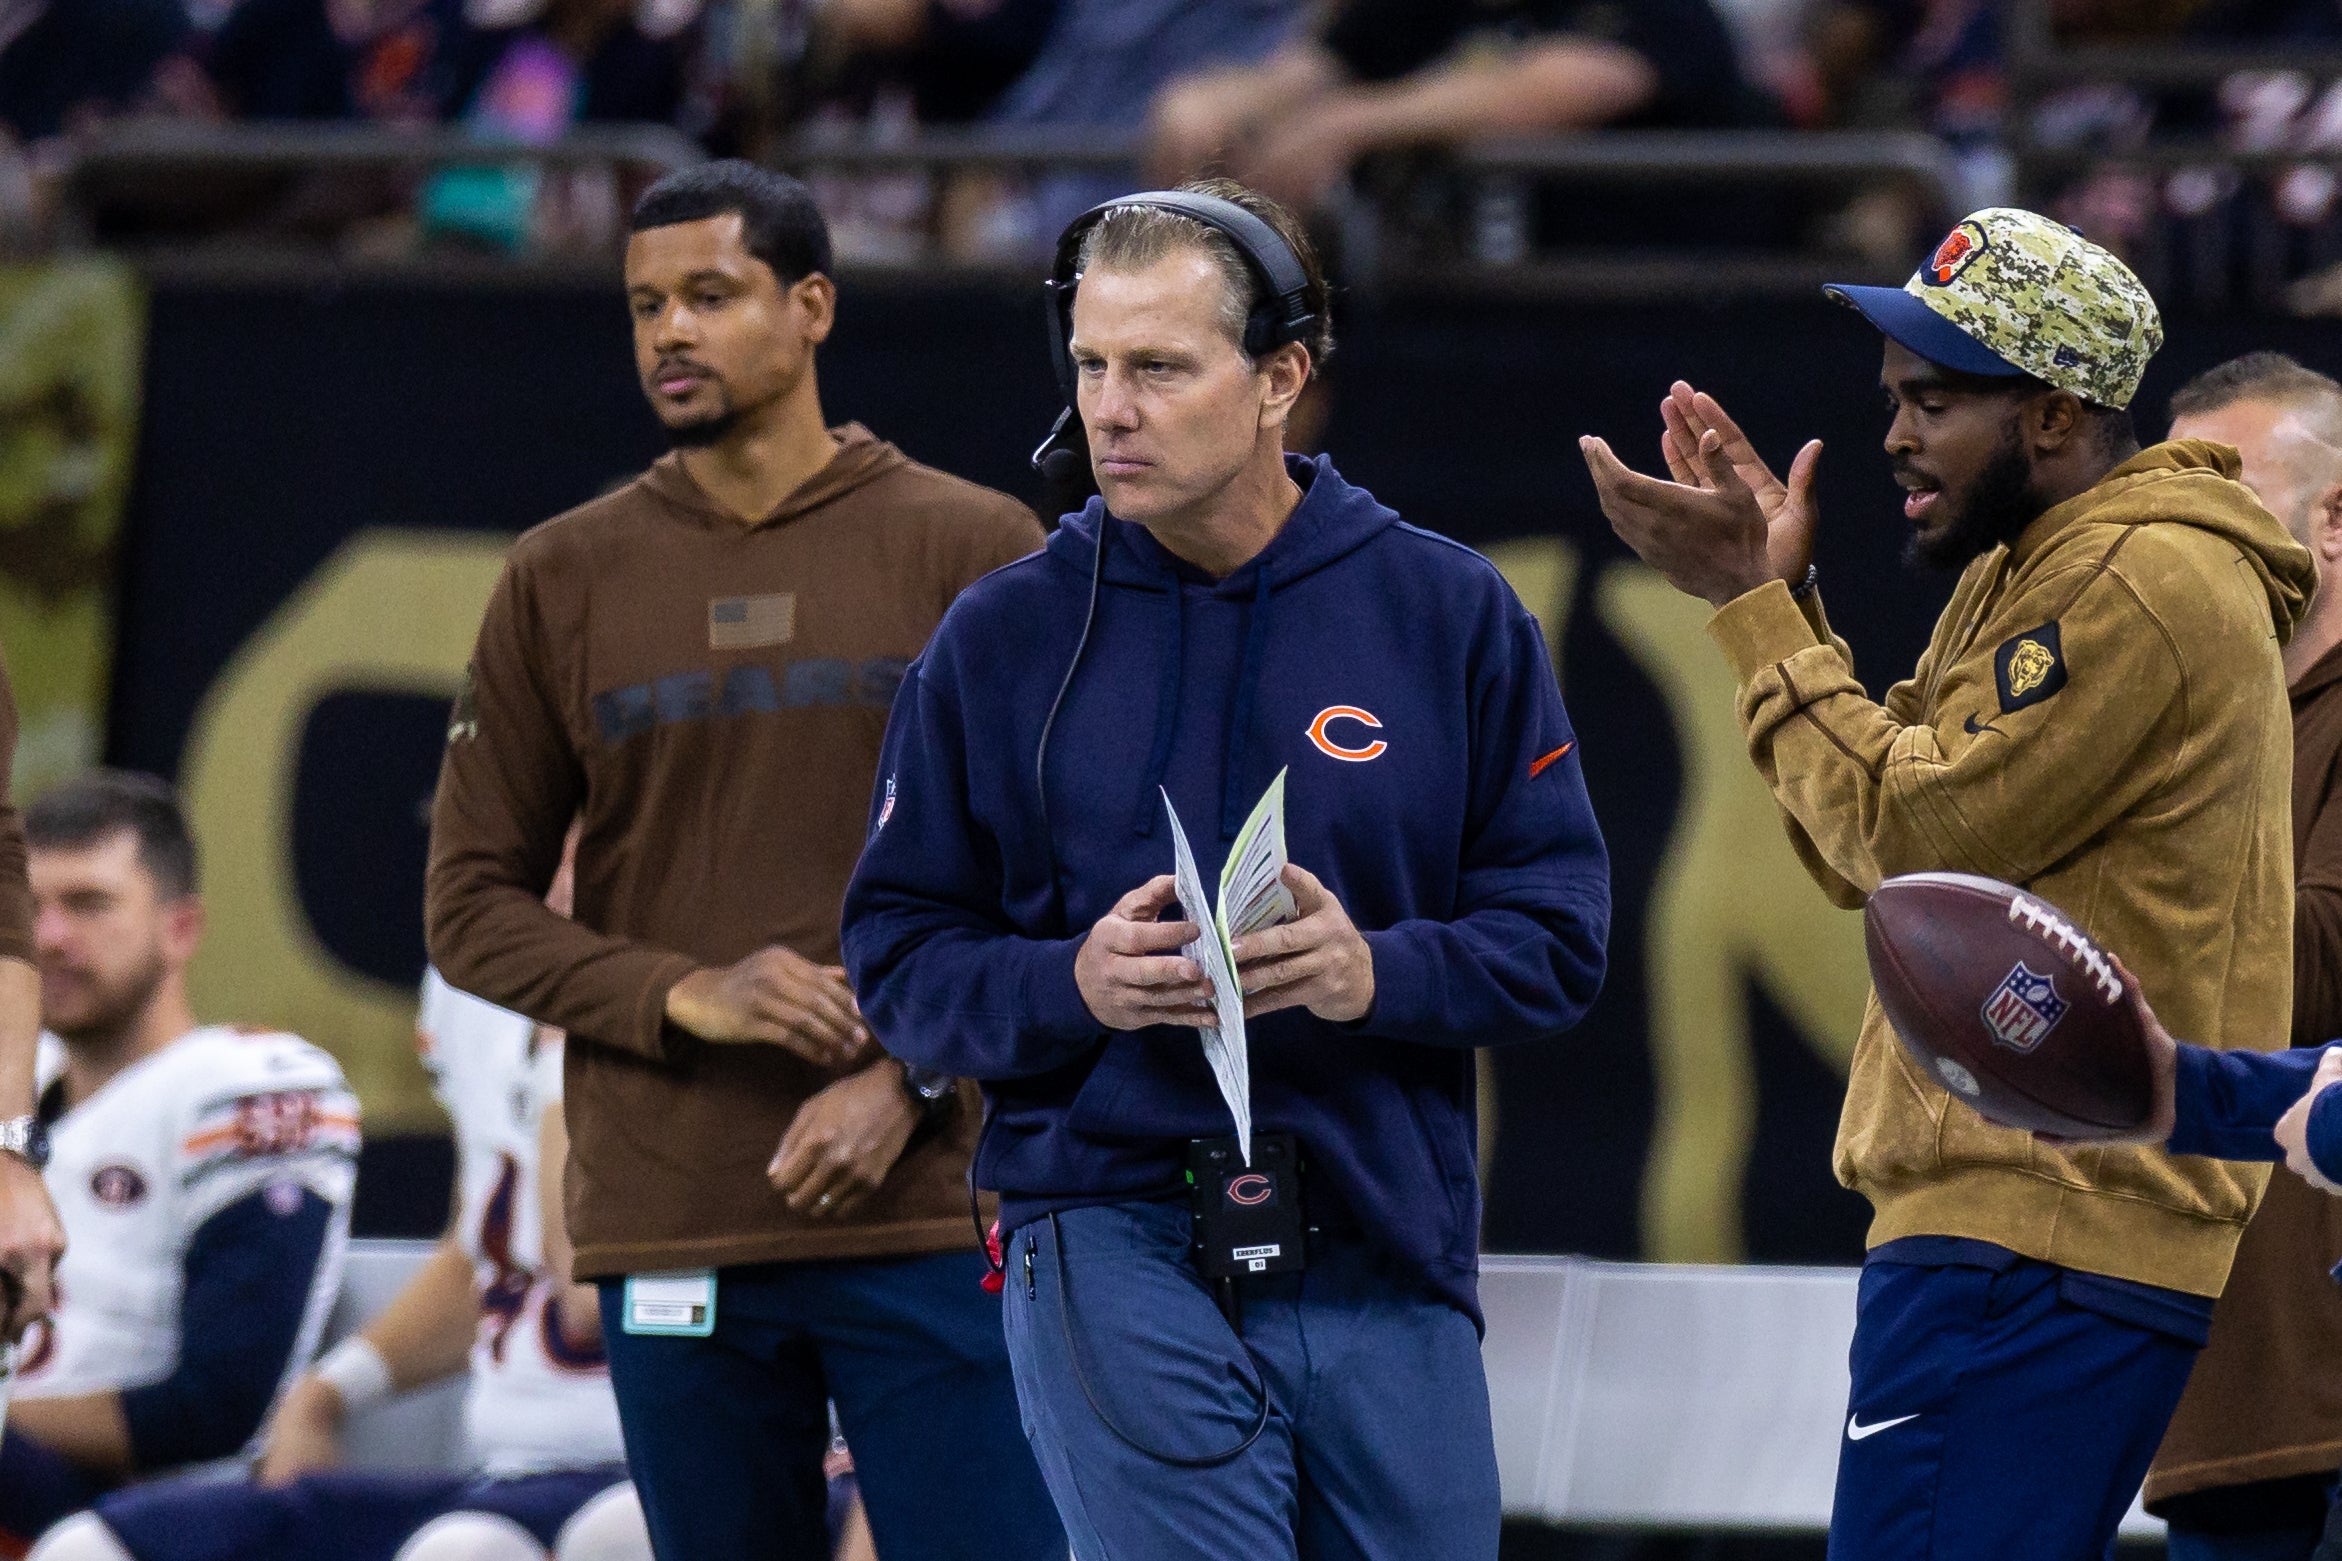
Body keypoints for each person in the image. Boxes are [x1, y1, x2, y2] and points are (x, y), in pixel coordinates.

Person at [842, 179, 1611, 1560]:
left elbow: (1558, 936)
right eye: (1087, 364)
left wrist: (1372, 967)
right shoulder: (1003, 636)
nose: (1110, 409)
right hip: (1104, 1217)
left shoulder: (1445, 612)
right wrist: (1072, 981)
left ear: (1279, 379)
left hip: (1381, 1228)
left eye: (1156, 367)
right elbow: (897, 953)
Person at [1581, 207, 2311, 1560]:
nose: (1893, 437)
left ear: (2046, 413)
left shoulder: (2131, 576)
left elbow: (1903, 834)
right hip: (2029, 1231)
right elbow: (1864, 845)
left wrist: (1751, 610)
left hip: (2031, 1230)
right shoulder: (2035, 568)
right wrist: (1778, 613)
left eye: (1930, 401)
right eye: (1891, 401)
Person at [424, 159, 1062, 1561]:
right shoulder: (563, 572)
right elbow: (468, 906)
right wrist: (681, 992)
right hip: (674, 1219)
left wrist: (907, 1076)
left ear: (812, 304)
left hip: (930, 1203)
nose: (669, 332)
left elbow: (1058, 881)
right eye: (646, 304)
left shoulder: (971, 547)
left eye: (710, 295)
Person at [26, 841, 647, 1561]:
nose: (49, 938)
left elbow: (583, 1292)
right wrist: (329, 1391)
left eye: (87, 904)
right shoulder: (468, 978)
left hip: (651, 1455)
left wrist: (567, 1039)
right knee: (91, 1546)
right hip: (503, 1469)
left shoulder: (715, 985)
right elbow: (485, 1252)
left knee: (476, 1548)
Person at [0, 771, 359, 1551]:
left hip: (146, 1512)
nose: (50, 936)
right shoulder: (12, 1097)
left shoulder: (243, 1088)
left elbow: (218, 1408)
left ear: (181, 927)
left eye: (89, 904)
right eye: (31, 907)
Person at [2142, 353, 2342, 1561]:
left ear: (2335, 517)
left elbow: (2305, 970)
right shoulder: (2203, 723)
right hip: (2229, 1394)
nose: (2181, 550)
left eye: (2223, 505)